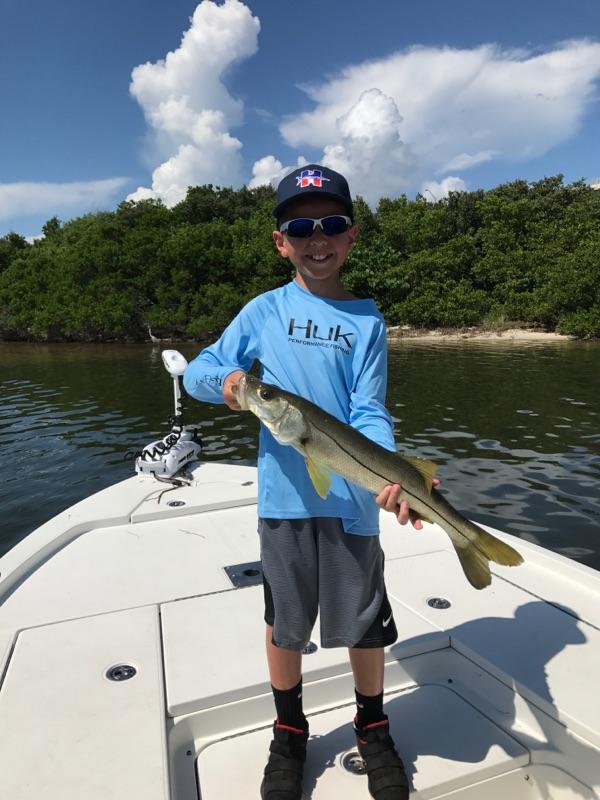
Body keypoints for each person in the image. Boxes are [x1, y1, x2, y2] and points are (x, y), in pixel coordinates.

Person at [183, 164, 426, 800]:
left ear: (350, 235)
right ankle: (288, 729)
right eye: (301, 225)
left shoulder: (369, 321)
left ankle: (372, 725)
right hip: (283, 501)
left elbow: (369, 410)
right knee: (284, 618)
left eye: (332, 224)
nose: (317, 237)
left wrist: (395, 476)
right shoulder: (263, 311)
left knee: (365, 620)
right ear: (281, 240)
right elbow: (200, 372)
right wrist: (232, 385)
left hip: (355, 502)